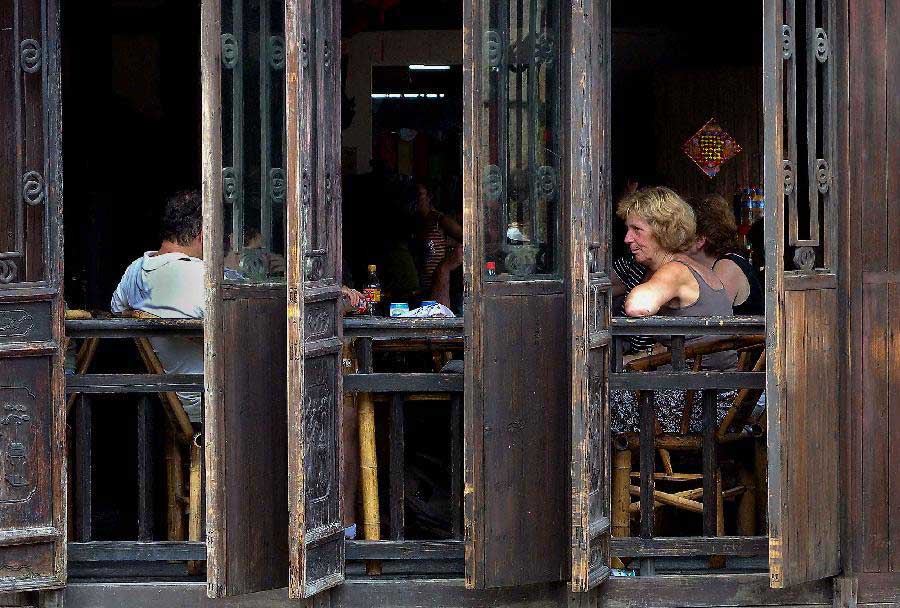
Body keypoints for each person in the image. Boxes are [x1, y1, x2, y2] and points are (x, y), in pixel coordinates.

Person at [111, 190, 206, 422]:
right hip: (207, 398)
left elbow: (116, 309)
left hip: (169, 399)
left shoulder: (135, 269)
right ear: (204, 235)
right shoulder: (201, 275)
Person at [620, 186, 733, 319]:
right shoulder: (687, 264)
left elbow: (637, 306)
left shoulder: (675, 271)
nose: (627, 239)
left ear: (662, 231)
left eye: (637, 229)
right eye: (628, 229)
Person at [687, 194, 764, 315]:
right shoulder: (717, 264)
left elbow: (711, 322)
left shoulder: (727, 266)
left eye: (681, 231)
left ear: (699, 240)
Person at [414, 181, 463, 307]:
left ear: (429, 196)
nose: (415, 198)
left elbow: (466, 239)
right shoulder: (417, 223)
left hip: (439, 285)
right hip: (421, 288)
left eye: (419, 194)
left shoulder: (440, 220)